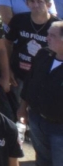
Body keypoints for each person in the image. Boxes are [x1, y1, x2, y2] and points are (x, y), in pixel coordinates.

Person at [18, 18, 63, 165]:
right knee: (42, 161)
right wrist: (22, 108)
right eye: (48, 34)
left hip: (60, 128)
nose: (47, 38)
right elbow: (29, 83)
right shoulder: (43, 54)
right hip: (37, 120)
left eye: (52, 35)